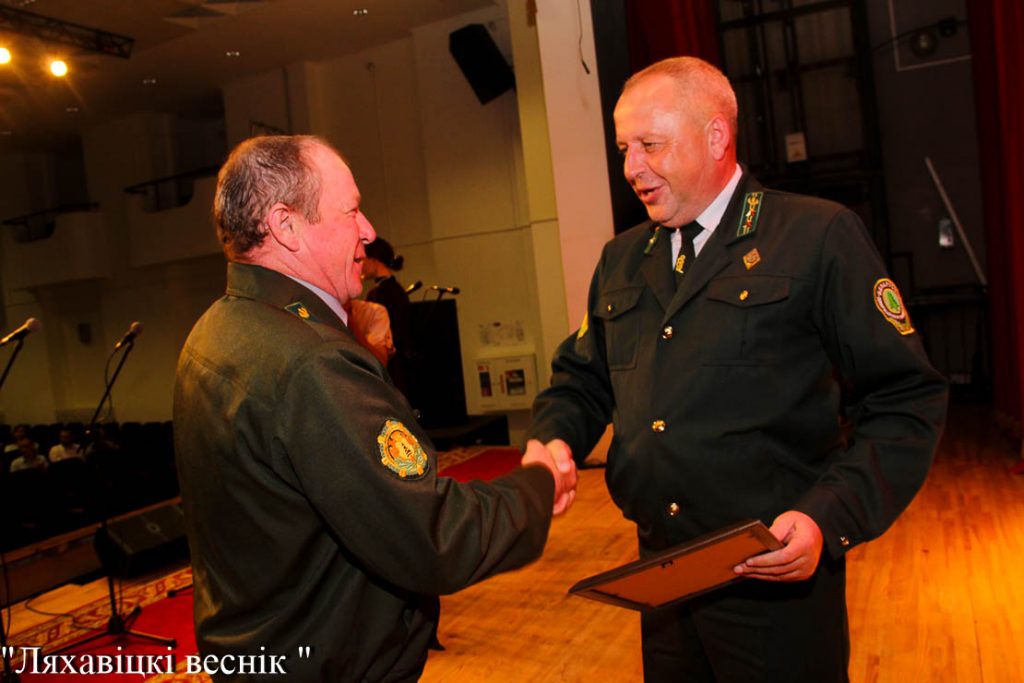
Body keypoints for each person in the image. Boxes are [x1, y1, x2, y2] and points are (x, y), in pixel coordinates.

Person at [525, 57, 948, 682]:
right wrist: (556, 436)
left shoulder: (814, 236)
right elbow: (583, 379)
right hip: (664, 580)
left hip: (775, 580)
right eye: (623, 149)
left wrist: (829, 516)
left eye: (650, 145)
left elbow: (907, 397)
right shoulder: (622, 259)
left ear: (716, 136)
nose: (631, 168)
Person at [173, 135, 576, 682]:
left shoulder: (214, 329)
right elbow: (431, 536)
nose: (368, 230)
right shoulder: (311, 360)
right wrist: (538, 484)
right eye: (352, 211)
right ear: (286, 225)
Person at [362, 237, 413, 395]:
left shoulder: (382, 293)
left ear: (373, 260)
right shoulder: (394, 290)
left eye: (362, 259)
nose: (360, 265)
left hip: (390, 368)